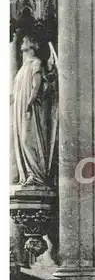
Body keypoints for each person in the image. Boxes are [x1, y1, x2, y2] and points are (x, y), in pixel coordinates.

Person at [11, 35, 49, 186]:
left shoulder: (36, 63)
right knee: (19, 140)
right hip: (19, 109)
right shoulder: (22, 69)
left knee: (28, 139)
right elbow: (14, 93)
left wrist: (29, 104)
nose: (22, 42)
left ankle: (36, 175)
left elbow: (36, 86)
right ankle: (25, 174)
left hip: (29, 108)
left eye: (26, 40)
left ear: (33, 45)